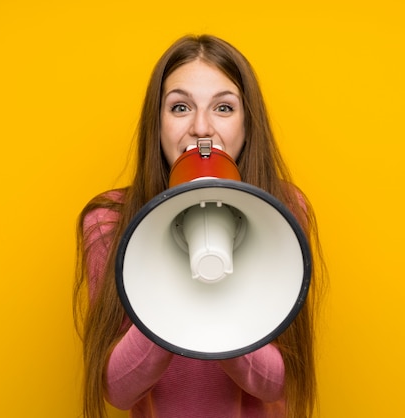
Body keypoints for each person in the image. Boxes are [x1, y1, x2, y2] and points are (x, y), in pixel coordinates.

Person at [74, 34, 325, 418]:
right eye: (180, 107)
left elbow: (279, 382)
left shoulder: (285, 211)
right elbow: (117, 391)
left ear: (247, 123)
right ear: (156, 124)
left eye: (224, 107)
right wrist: (175, 301)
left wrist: (218, 298)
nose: (202, 128)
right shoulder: (107, 221)